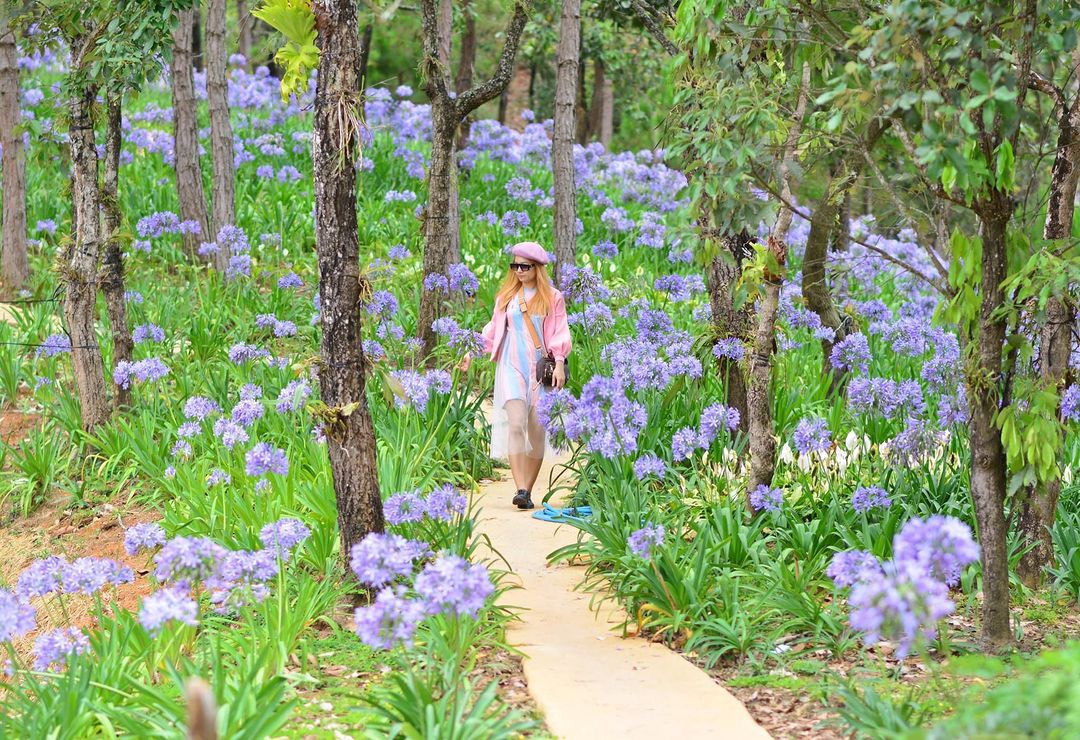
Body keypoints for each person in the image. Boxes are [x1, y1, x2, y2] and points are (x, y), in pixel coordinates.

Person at [460, 241, 572, 510]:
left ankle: (528, 490)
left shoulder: (553, 297)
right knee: (516, 424)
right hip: (511, 365)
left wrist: (559, 362)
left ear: (538, 268)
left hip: (540, 368)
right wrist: (471, 351)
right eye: (515, 265)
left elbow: (560, 332)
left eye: (525, 266)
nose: (519, 270)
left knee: (537, 430)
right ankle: (520, 488)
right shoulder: (507, 298)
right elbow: (492, 330)